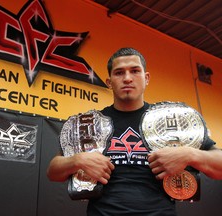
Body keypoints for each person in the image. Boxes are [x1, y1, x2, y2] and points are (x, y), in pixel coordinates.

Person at [47, 47, 222, 215]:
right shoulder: (89, 124)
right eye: (119, 72)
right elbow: (53, 171)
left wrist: (189, 155)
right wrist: (78, 160)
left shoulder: (174, 120)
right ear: (109, 82)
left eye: (135, 71)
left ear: (146, 78)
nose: (128, 78)